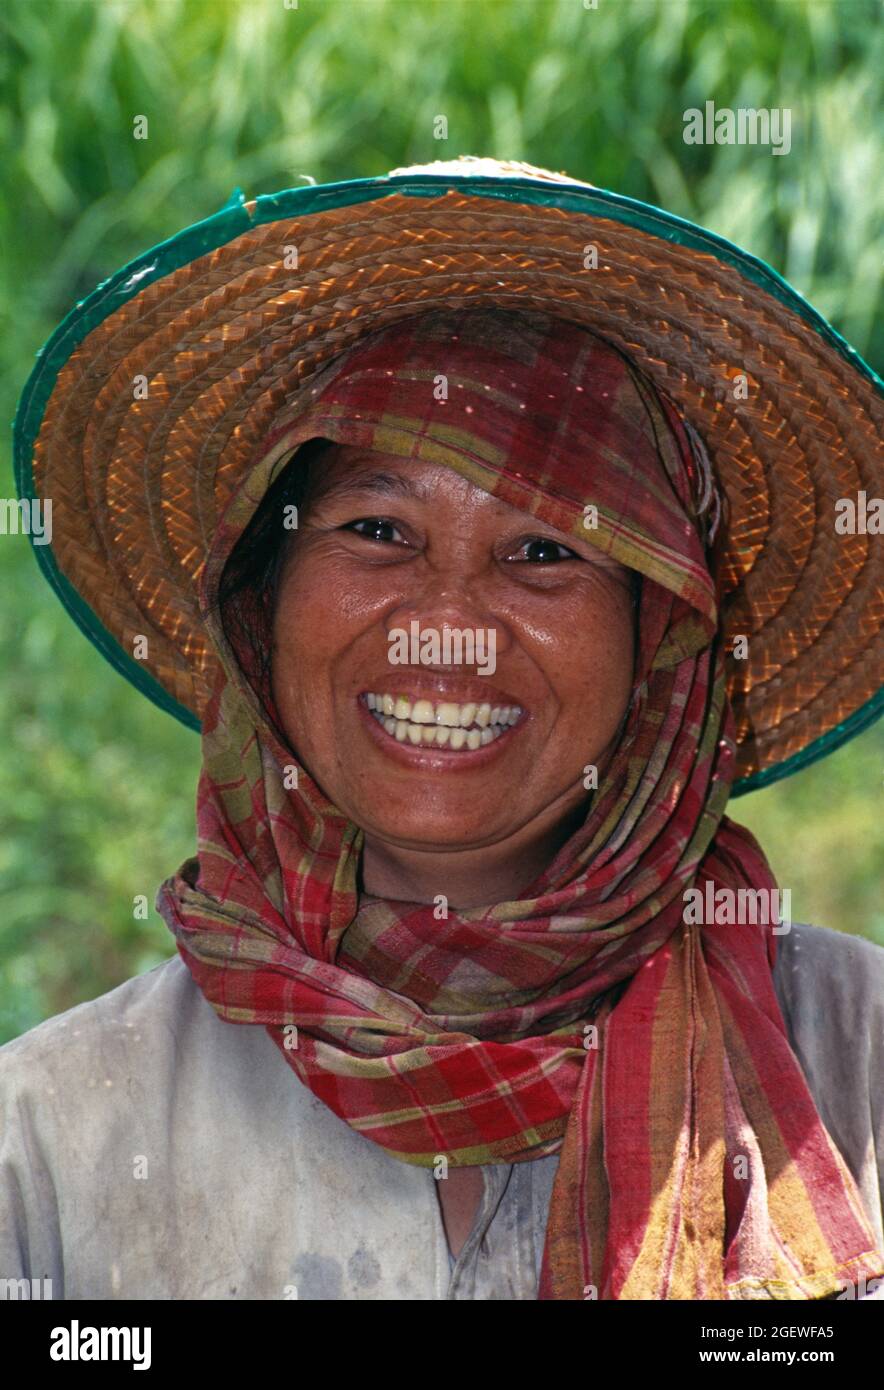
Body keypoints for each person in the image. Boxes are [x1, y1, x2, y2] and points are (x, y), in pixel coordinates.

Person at [3, 158, 882, 1302]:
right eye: (377, 528)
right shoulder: (53, 1139)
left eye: (543, 551)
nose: (447, 628)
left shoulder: (855, 1067)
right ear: (262, 610)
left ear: (657, 639)